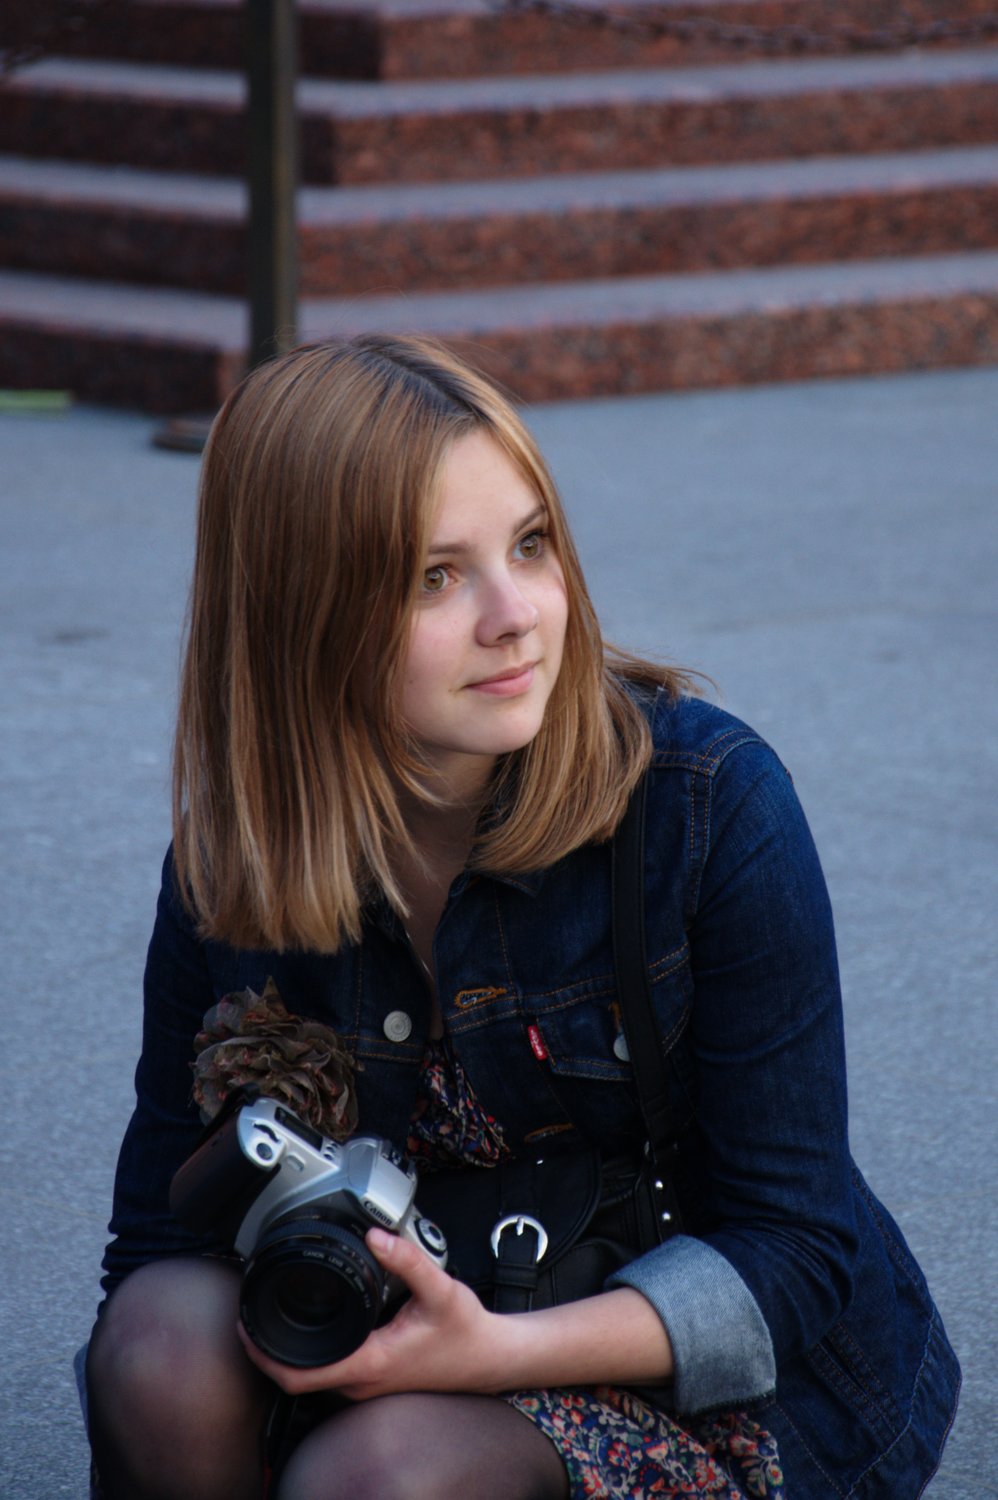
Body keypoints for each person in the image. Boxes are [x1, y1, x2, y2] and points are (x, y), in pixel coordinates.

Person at [85, 334, 960, 1500]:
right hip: (384, 1336)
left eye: (530, 544)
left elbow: (791, 1254)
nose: (514, 616)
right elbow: (161, 1240)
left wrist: (490, 1354)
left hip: (675, 1367)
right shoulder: (234, 863)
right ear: (301, 615)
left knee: (375, 1477)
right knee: (155, 1350)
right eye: (433, 577)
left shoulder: (706, 806)